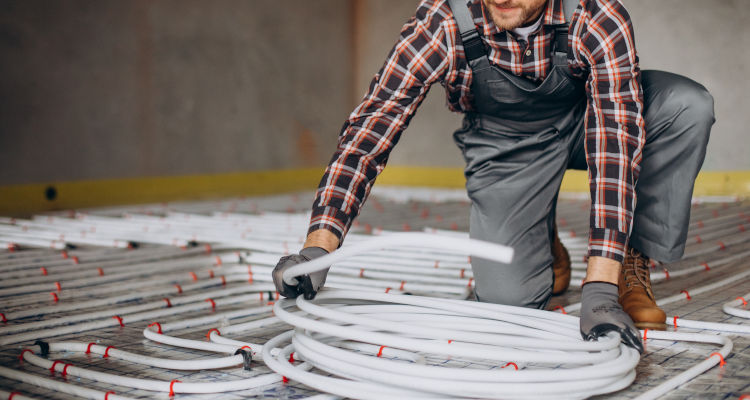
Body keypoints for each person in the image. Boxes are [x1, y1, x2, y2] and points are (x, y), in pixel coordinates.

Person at [272, 0, 714, 353]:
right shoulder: (442, 23)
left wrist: (599, 288)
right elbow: (372, 128)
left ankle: (629, 262)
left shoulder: (595, 15)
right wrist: (318, 248)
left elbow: (615, 141)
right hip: (507, 146)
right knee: (506, 301)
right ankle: (541, 236)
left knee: (685, 106)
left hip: (588, 122)